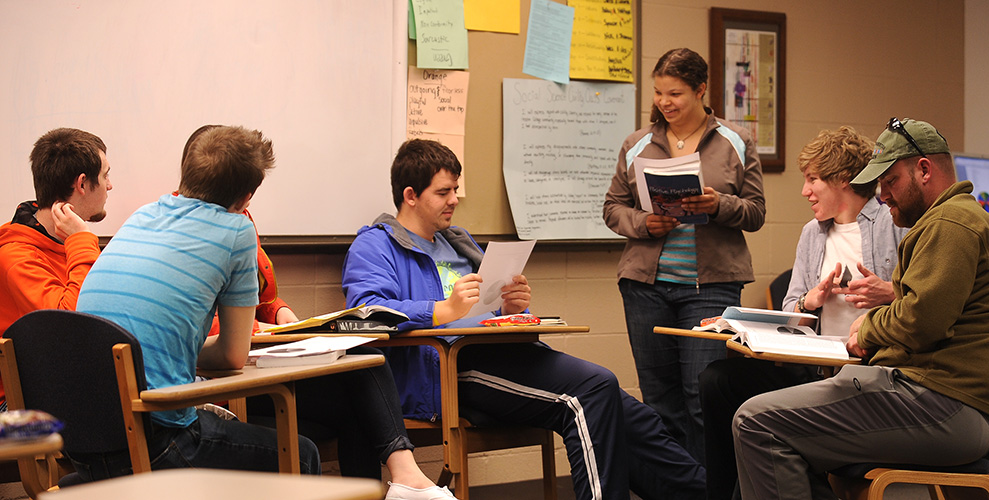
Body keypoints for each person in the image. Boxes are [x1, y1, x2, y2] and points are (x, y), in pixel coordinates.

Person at [343, 138, 706, 500]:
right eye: (443, 192)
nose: (454, 199)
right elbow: (365, 313)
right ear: (410, 195)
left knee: (625, 408)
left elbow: (485, 307)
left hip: (502, 349)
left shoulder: (458, 241)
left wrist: (510, 309)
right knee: (590, 392)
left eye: (456, 189)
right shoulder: (375, 246)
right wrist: (439, 310)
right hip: (450, 366)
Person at [180, 125, 455, 500]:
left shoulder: (241, 219)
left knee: (360, 378)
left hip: (258, 362)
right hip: (222, 379)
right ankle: (407, 478)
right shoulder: (184, 230)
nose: (248, 199)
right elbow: (192, 319)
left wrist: (281, 315)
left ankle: (397, 482)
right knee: (359, 381)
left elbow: (262, 297)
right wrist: (249, 326)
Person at [733, 118, 989, 500]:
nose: (883, 194)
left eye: (890, 181)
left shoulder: (952, 221)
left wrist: (868, 326)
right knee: (754, 412)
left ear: (924, 170)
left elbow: (921, 320)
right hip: (932, 397)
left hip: (940, 403)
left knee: (756, 422)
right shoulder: (945, 221)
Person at [75, 126, 324, 479]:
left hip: (86, 440)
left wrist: (167, 350)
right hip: (157, 439)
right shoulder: (238, 232)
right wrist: (177, 351)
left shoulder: (144, 215)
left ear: (186, 175)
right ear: (246, 198)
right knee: (300, 454)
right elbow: (232, 356)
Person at [698, 126, 906, 500]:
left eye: (813, 180)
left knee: (758, 421)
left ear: (842, 179)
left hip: (866, 373)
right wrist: (807, 302)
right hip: (814, 369)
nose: (805, 191)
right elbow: (789, 310)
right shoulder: (813, 233)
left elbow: (920, 302)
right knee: (718, 380)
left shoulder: (894, 224)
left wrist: (887, 294)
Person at [603, 47, 766, 463]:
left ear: (700, 90)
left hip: (710, 287)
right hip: (645, 287)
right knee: (659, 398)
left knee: (702, 394)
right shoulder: (636, 144)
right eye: (658, 93)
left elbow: (756, 213)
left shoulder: (735, 140)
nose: (664, 102)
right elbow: (612, 208)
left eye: (674, 93)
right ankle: (674, 488)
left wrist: (717, 205)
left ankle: (707, 488)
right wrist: (644, 223)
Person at [0, 127, 112, 411]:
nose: (110, 186)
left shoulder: (65, 243)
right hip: (18, 404)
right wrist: (81, 241)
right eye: (106, 175)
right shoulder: (16, 255)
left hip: (66, 384)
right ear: (83, 184)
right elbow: (70, 326)